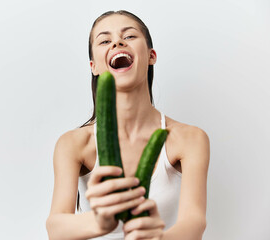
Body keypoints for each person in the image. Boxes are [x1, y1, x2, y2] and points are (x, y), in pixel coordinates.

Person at [46, 10, 210, 240]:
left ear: (151, 55)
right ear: (93, 66)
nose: (117, 42)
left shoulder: (189, 139)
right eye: (105, 40)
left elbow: (194, 224)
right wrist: (100, 221)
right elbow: (55, 227)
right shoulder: (73, 143)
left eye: (130, 36)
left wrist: (157, 238)